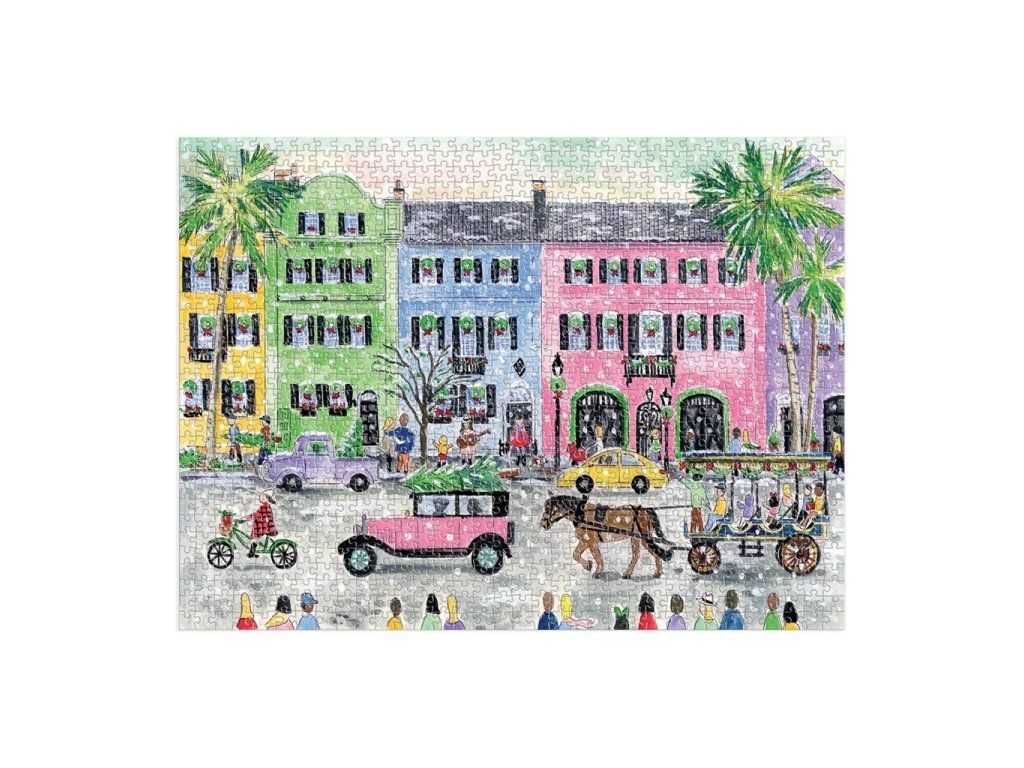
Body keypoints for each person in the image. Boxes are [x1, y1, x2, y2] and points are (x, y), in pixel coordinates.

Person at [245, 489, 277, 558]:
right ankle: (255, 551)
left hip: (262, 526)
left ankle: (252, 553)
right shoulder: (266, 505)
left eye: (263, 497)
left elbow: (257, 514)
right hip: (263, 525)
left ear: (267, 498)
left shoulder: (264, 506)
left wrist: (248, 517)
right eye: (261, 496)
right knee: (256, 538)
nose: (261, 498)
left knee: (254, 538)